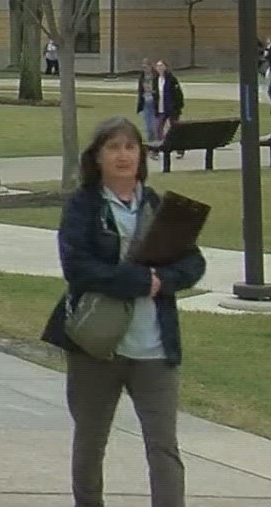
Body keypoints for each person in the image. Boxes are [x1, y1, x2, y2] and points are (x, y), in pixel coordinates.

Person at [41, 117, 205, 507]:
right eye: (113, 147)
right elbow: (77, 267)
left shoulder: (159, 206)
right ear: (97, 157)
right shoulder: (83, 206)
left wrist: (162, 281)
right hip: (97, 346)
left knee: (164, 447)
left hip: (155, 348)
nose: (123, 155)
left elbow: (193, 264)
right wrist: (135, 281)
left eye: (131, 147)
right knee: (91, 441)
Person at [136, 59, 184, 143]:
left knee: (174, 128)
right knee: (157, 128)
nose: (159, 67)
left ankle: (179, 148)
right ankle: (158, 148)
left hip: (171, 109)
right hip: (159, 109)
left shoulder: (171, 79)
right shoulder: (156, 80)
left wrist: (177, 106)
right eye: (158, 66)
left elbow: (178, 94)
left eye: (161, 65)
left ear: (165, 67)